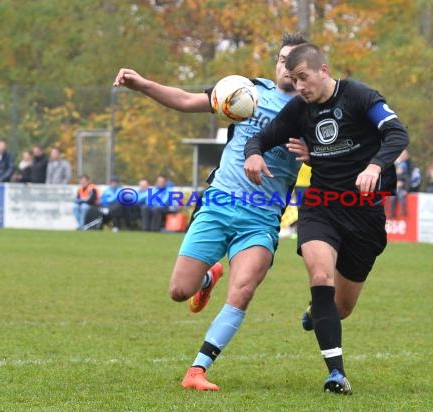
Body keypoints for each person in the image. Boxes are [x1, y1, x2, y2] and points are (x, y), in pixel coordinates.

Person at [113, 33, 308, 391]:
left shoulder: (312, 113)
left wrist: (313, 154)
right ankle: (207, 278)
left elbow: (338, 155)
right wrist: (142, 85)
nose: (284, 65)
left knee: (244, 290)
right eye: (281, 59)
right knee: (178, 290)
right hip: (218, 205)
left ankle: (197, 370)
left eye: (292, 61)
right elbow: (187, 100)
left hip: (262, 218)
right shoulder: (244, 91)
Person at [243, 43, 409, 395]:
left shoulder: (360, 96)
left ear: (323, 70)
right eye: (293, 79)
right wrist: (255, 154)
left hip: (364, 215)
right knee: (320, 274)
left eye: (304, 77)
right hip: (321, 205)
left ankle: (318, 311)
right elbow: (260, 137)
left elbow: (397, 133)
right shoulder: (298, 109)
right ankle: (336, 373)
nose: (299, 86)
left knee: (341, 307)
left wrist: (375, 166)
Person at [390, 149, 411, 217]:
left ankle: (403, 211)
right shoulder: (394, 172)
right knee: (392, 198)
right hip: (395, 189)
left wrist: (406, 189)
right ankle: (392, 213)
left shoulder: (406, 173)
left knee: (401, 196)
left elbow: (407, 181)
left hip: (402, 188)